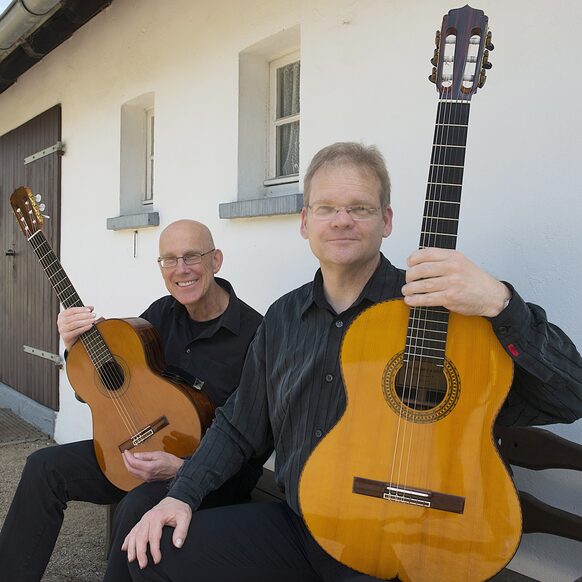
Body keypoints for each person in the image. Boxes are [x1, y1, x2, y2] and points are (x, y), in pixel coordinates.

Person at [121, 143, 582, 582]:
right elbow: (240, 426)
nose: (342, 221)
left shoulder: (444, 317)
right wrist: (182, 496)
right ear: (305, 222)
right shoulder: (283, 317)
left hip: (414, 541)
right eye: (326, 208)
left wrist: (501, 303)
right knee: (147, 548)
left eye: (359, 208)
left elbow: (570, 395)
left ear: (385, 221)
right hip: (301, 528)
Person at [0, 219, 264, 582]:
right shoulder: (160, 314)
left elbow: (258, 440)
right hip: (138, 453)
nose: (181, 270)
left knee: (139, 507)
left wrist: (182, 469)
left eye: (192, 257)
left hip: (210, 477)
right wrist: (74, 347)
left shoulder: (255, 335)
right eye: (169, 260)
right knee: (44, 467)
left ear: (216, 260)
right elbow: (113, 380)